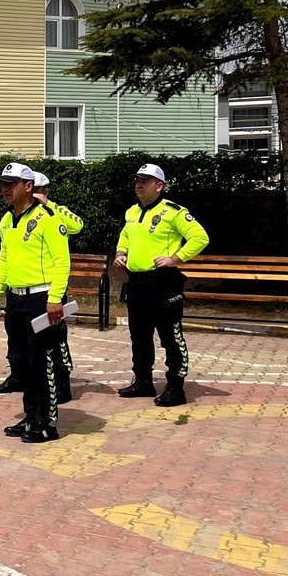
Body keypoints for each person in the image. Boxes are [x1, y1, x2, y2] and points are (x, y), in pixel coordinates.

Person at [0, 162, 71, 444]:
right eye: (3, 184)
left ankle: (47, 424)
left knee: (41, 363)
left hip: (41, 298)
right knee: (22, 362)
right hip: (16, 298)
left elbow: (62, 261)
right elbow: (5, 259)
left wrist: (55, 298)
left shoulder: (48, 217)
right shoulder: (8, 220)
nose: (5, 189)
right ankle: (31, 416)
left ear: (28, 187)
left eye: (11, 184)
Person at [113, 162, 209, 407]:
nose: (139, 185)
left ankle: (176, 387)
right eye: (137, 180)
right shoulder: (132, 212)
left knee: (171, 337)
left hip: (163, 283)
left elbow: (200, 237)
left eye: (144, 181)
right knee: (139, 336)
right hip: (137, 283)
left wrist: (175, 259)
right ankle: (143, 381)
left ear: (159, 186)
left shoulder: (173, 212)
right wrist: (121, 251)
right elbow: (126, 234)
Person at [32, 171, 82, 403]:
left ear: (46, 191)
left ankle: (63, 380)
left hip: (53, 285)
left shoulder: (54, 211)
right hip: (30, 285)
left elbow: (77, 225)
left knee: (56, 335)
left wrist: (49, 205)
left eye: (37, 190)